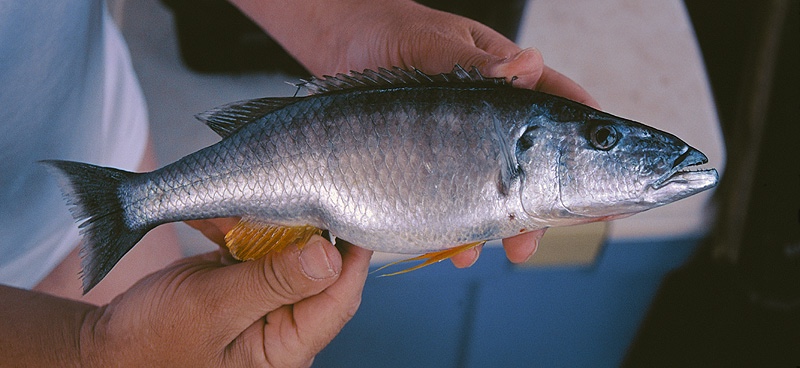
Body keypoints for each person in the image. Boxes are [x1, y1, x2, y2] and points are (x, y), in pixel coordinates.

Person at [0, 0, 597, 366]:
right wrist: (87, 351)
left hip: (98, 134)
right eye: (601, 140)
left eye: (600, 138)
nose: (602, 144)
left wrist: (357, 25)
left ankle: (123, 205)